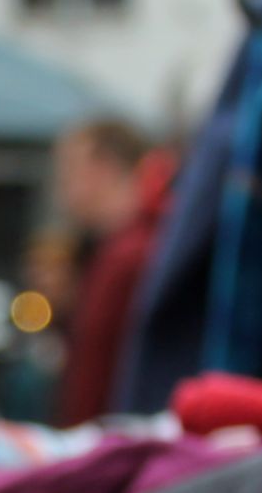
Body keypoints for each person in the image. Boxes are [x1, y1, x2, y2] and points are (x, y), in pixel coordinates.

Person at [50, 116, 171, 427]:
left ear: (103, 169)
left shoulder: (128, 256)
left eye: (70, 171)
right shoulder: (129, 246)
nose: (63, 190)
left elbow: (95, 376)